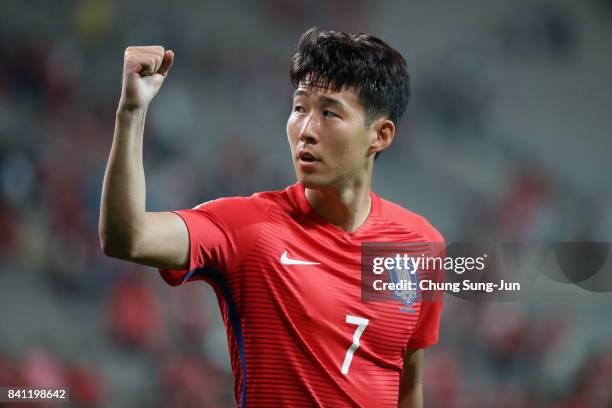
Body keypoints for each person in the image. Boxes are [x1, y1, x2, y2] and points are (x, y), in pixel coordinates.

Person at [99, 27, 444, 407]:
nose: (306, 130)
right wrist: (131, 111)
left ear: (380, 135)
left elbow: (407, 386)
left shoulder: (421, 244)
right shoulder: (250, 229)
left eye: (329, 112)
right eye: (299, 108)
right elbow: (127, 237)